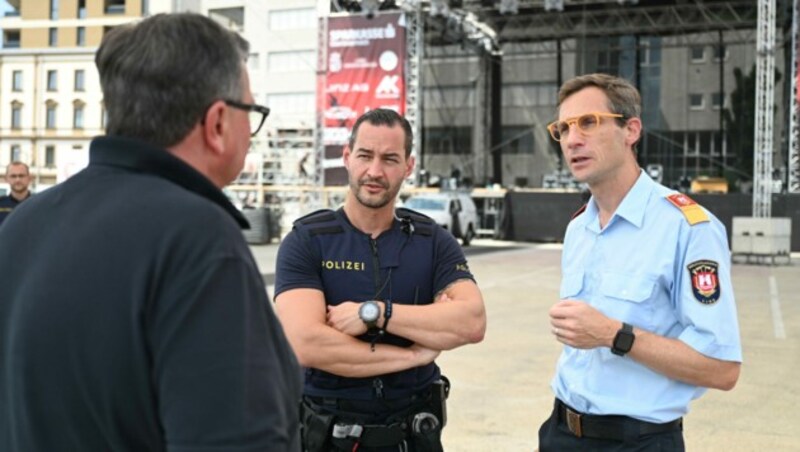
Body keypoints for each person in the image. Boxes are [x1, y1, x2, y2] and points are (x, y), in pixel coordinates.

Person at [0, 13, 302, 451]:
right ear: (217, 123)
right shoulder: (197, 237)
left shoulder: (23, 225)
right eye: (251, 112)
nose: (251, 132)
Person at [537, 73, 742, 451]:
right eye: (563, 128)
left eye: (589, 122)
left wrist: (614, 334)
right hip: (561, 431)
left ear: (631, 130)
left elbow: (722, 368)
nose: (572, 139)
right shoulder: (579, 228)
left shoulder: (687, 228)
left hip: (636, 442)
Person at [274, 108, 486, 452]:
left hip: (412, 435)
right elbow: (305, 343)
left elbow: (472, 322)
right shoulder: (307, 240)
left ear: (408, 166)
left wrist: (375, 312)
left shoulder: (432, 241)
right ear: (346, 157)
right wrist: (414, 355)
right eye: (365, 155)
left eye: (390, 159)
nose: (375, 171)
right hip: (326, 436)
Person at [0, 161, 32, 227]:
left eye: (21, 176)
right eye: (13, 176)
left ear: (29, 178)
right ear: (6, 179)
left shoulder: (39, 204)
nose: (18, 180)